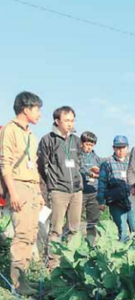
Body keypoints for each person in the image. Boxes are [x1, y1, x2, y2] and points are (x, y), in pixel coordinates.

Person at [0, 91, 44, 295]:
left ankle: (24, 279)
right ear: (26, 109)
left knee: (31, 233)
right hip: (17, 185)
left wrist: (38, 192)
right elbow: (5, 163)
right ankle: (17, 283)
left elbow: (33, 166)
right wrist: (13, 192)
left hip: (31, 187)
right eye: (37, 109)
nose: (39, 114)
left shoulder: (30, 135)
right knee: (22, 234)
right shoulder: (10, 130)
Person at [37, 106, 82, 268]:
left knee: (74, 228)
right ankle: (53, 264)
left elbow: (79, 162)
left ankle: (70, 263)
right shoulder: (48, 140)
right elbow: (42, 165)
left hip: (76, 191)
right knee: (56, 230)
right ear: (57, 121)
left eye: (72, 120)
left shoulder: (76, 140)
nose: (70, 123)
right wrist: (52, 182)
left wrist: (79, 181)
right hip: (58, 191)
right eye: (67, 120)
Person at [97, 135, 134, 242]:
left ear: (127, 148)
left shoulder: (132, 162)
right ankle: (122, 256)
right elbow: (102, 183)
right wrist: (101, 201)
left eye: (123, 147)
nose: (121, 150)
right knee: (122, 230)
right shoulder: (107, 163)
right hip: (116, 202)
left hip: (131, 201)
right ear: (114, 148)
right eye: (118, 148)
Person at [80, 131, 103, 242]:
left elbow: (102, 174)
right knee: (73, 221)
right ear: (82, 143)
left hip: (94, 192)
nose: (89, 147)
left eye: (91, 145)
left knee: (93, 221)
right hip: (80, 192)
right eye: (87, 144)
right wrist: (89, 173)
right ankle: (69, 244)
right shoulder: (77, 156)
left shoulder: (97, 158)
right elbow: (79, 169)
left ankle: (90, 245)